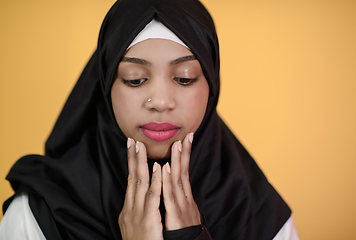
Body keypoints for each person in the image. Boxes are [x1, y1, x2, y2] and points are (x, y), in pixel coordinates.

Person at [0, 0, 299, 239]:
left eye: (184, 78)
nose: (160, 102)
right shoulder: (36, 217)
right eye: (135, 79)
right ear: (106, 87)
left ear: (211, 87)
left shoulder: (261, 218)